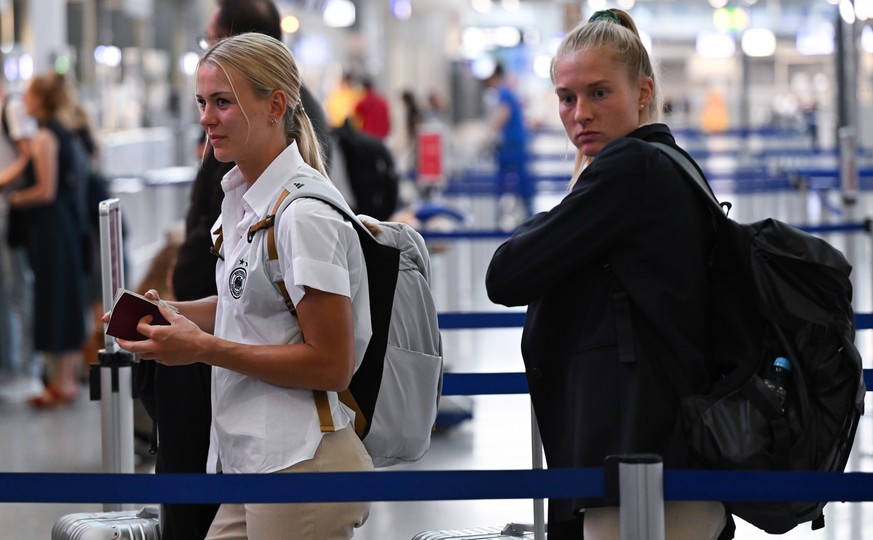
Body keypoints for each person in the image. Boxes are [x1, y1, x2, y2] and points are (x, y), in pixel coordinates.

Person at [110, 32, 372, 540]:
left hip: (300, 463)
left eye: (223, 102)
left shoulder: (304, 216)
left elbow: (331, 362)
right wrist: (169, 314)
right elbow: (247, 302)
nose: (207, 118)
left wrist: (202, 349)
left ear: (275, 105)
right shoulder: (243, 199)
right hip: (250, 456)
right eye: (203, 103)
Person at [485, 10, 730, 540]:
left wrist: (567, 203)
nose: (580, 114)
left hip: (637, 463)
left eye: (600, 93)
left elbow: (505, 275)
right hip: (665, 455)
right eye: (567, 97)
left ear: (643, 92)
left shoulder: (631, 169)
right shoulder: (668, 164)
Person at [6, 73, 89, 408]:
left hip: (52, 229)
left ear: (40, 99)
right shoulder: (58, 132)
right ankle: (63, 379)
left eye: (28, 94)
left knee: (56, 298)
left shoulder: (44, 137)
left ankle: (63, 380)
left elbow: (46, 189)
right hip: (61, 227)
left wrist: (15, 199)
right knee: (63, 297)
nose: (22, 100)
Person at [0, 80, 41, 403]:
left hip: (11, 213)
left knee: (18, 290)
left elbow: (29, 156)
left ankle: (28, 368)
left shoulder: (12, 107)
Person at [483, 62, 533, 219]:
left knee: (512, 180)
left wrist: (487, 136)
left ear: (494, 77)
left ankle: (519, 215)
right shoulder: (509, 92)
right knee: (521, 179)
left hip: (512, 144)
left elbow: (502, 115)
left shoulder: (504, 92)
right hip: (517, 141)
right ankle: (527, 214)